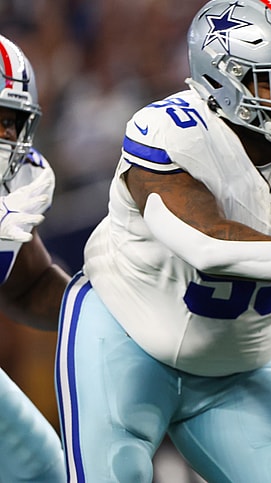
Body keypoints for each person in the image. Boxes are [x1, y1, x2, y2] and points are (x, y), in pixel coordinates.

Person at [53, 1, 271, 481]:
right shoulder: (170, 133)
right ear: (222, 80)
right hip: (124, 336)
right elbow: (209, 244)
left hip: (243, 361)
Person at [0, 34, 68, 483]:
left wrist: (99, 312)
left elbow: (28, 283)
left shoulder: (19, 177)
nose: (6, 137)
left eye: (13, 121)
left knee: (43, 469)